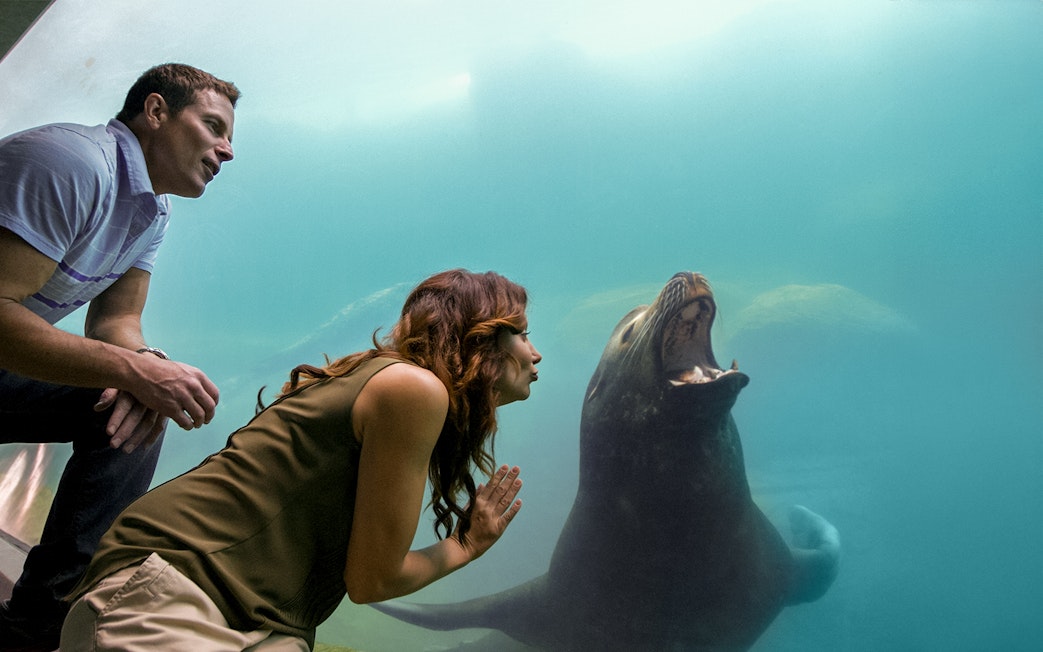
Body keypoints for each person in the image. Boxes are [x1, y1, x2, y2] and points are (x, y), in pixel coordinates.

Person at [59, 269, 542, 651]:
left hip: (259, 621)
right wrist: (467, 544)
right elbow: (373, 579)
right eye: (521, 333)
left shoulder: (389, 383)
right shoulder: (414, 388)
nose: (535, 353)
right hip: (178, 590)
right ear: (480, 339)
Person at [0, 63, 240, 651]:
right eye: (213, 126)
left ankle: (33, 629)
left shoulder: (153, 212)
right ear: (155, 112)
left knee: (125, 411)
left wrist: (149, 371)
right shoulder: (74, 164)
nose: (227, 151)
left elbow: (116, 323)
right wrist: (136, 370)